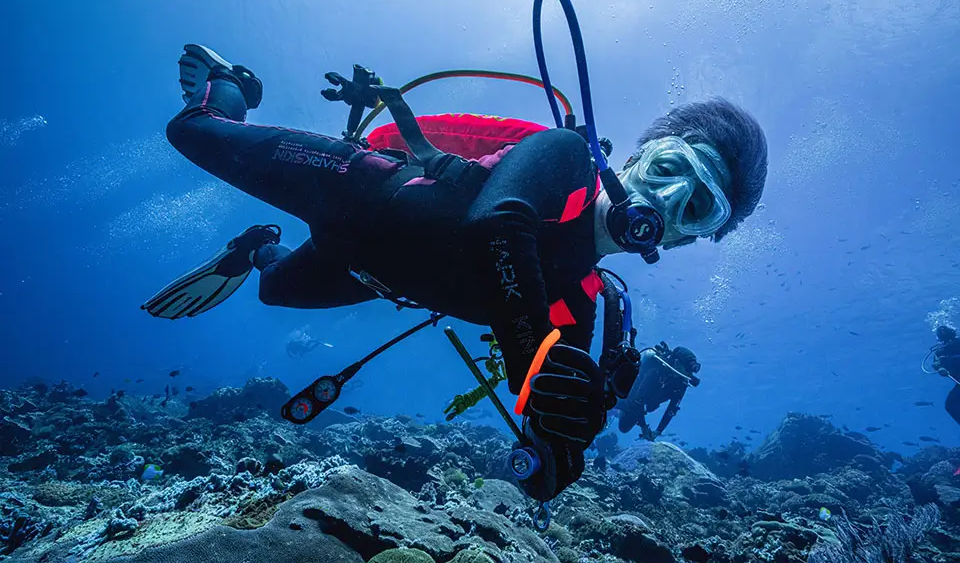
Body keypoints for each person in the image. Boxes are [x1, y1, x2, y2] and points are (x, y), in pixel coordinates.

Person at [142, 43, 768, 502]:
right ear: (636, 156)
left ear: (691, 239)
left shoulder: (581, 302)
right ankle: (230, 83)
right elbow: (496, 225)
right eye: (667, 169)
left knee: (274, 289)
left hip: (367, 274)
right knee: (194, 132)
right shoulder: (568, 156)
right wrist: (537, 372)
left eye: (697, 207)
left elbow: (542, 464)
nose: (666, 200)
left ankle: (258, 244)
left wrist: (562, 445)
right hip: (358, 188)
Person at [616, 342, 701, 439]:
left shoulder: (682, 383)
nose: (689, 374)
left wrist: (658, 431)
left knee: (624, 428)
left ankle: (617, 412)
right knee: (619, 417)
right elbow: (638, 400)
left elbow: (671, 409)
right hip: (630, 398)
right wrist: (644, 427)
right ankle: (614, 409)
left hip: (646, 404)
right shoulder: (656, 371)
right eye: (687, 370)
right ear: (677, 363)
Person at [932, 325, 960, 426]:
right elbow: (937, 364)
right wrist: (939, 367)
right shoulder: (940, 352)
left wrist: (945, 362)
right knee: (950, 405)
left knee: (951, 405)